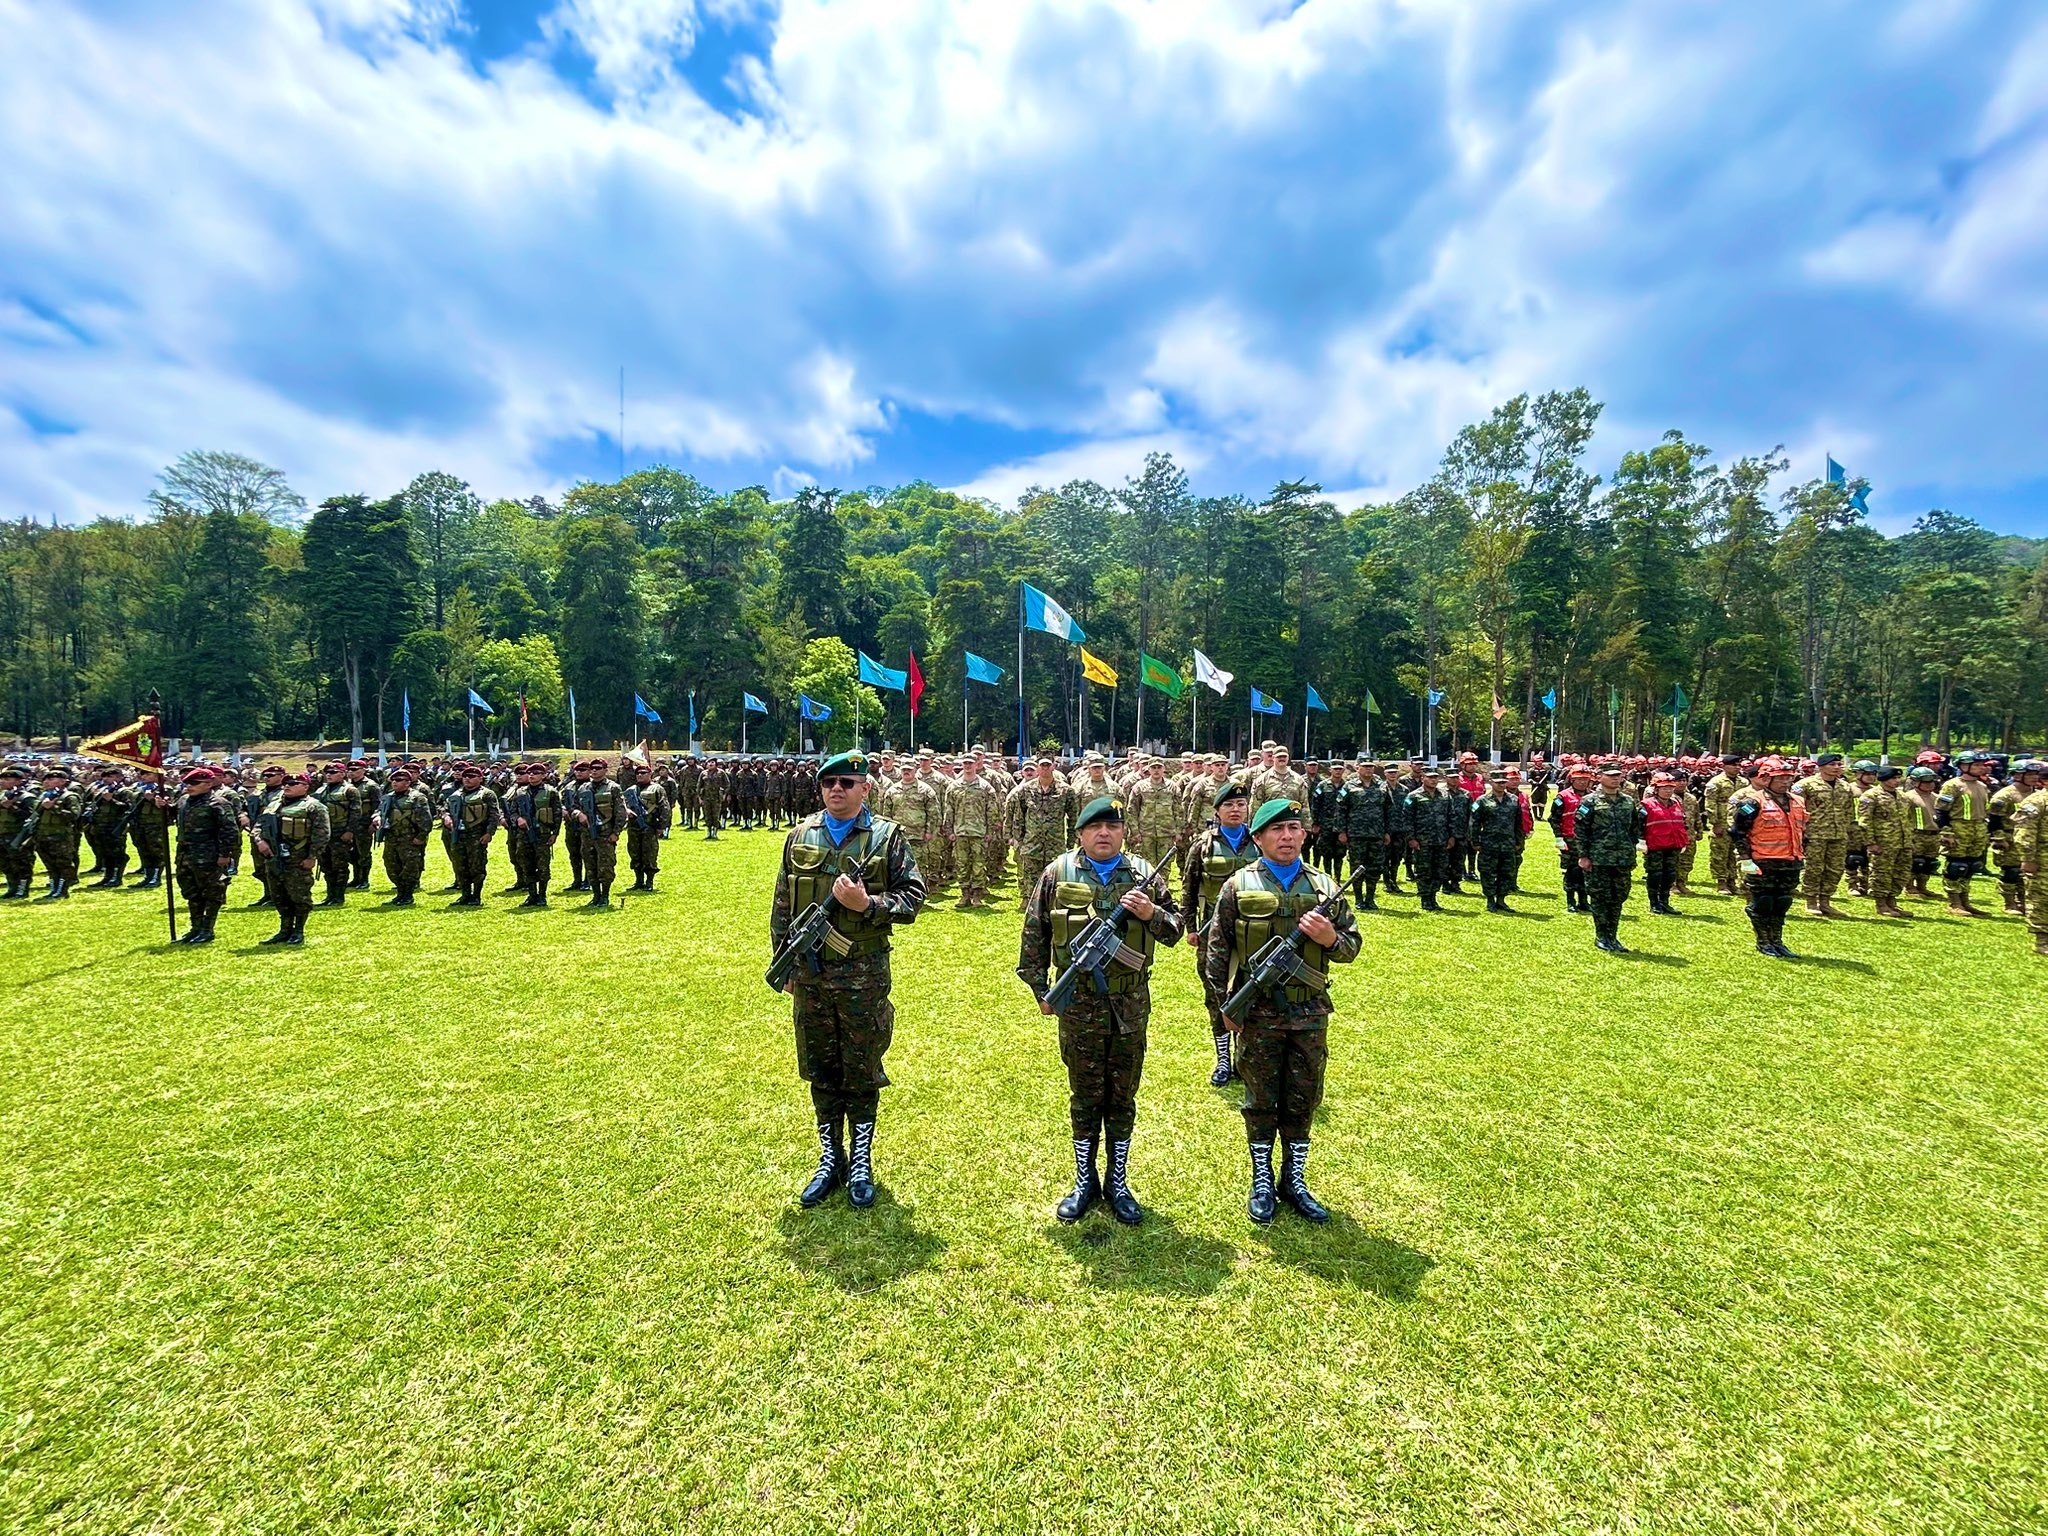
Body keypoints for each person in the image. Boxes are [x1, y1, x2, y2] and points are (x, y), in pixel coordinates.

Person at [771, 750, 927, 1210]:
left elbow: (913, 898)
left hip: (863, 973)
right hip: (811, 974)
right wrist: (785, 963)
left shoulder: (886, 838)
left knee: (860, 1066)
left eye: (846, 782)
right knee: (820, 1066)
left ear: (866, 788)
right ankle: (829, 1155)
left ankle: (860, 1158)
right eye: (828, 782)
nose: (836, 789)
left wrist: (868, 906)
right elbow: (783, 903)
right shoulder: (801, 835)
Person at [1018, 795, 1183, 1225]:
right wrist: (1042, 989)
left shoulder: (1146, 875)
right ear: (1081, 833)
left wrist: (1151, 914)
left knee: (1123, 1093)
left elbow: (1176, 929)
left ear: (1124, 832)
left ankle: (1119, 1178)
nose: (1104, 833)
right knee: (1086, 1093)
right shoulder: (1058, 872)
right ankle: (1084, 1178)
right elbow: (1033, 936)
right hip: (1080, 1005)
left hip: (1130, 1002)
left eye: (1112, 826)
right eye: (1095, 827)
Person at [1201, 799, 1360, 1224]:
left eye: (1293, 828)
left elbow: (1351, 948)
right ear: (1258, 838)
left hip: (1309, 1012)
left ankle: (1295, 1177)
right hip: (1257, 1013)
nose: (1286, 836)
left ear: (1304, 835)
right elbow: (1217, 954)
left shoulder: (1326, 889)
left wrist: (1329, 939)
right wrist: (1224, 1010)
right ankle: (1261, 1178)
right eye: (1276, 830)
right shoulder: (1238, 885)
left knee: (1303, 1096)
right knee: (1260, 1098)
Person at [1180, 777, 1260, 1086]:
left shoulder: (1259, 840)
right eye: (1229, 805)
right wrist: (1189, 928)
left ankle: (1245, 1058)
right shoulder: (1203, 844)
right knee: (1217, 995)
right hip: (1212, 933)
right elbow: (1189, 888)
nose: (1236, 810)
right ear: (1217, 810)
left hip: (1255, 932)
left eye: (1241, 804)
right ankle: (1224, 1058)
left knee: (1252, 991)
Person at [1730, 757, 1807, 958]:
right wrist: (1746, 859)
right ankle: (1763, 941)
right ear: (1766, 779)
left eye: (1789, 778)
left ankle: (1777, 940)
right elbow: (1738, 831)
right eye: (1780, 778)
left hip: (1790, 860)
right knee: (1763, 902)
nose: (1786, 781)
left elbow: (1802, 831)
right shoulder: (1752, 802)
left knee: (1782, 901)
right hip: (1763, 861)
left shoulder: (1798, 801)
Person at [1573, 765, 1645, 953]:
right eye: (1610, 776)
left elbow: (1634, 828)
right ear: (1599, 777)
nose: (1615, 779)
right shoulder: (1589, 801)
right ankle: (1601, 936)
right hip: (1599, 858)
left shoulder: (1628, 801)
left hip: (1622, 858)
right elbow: (1580, 831)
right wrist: (1583, 855)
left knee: (1618, 897)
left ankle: (1612, 936)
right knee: (1600, 897)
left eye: (1618, 776)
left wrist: (1630, 848)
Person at [253, 771, 330, 946]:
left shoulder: (314, 807)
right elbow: (259, 825)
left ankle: (299, 931)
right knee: (279, 894)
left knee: (299, 895)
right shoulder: (274, 805)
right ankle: (284, 929)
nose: (287, 786)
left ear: (305, 787)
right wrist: (259, 840)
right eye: (286, 783)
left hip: (298, 857)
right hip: (273, 856)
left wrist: (312, 856)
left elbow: (322, 834)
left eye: (293, 784)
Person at [171, 766, 238, 944]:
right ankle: (196, 928)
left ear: (208, 784)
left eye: (194, 783)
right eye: (187, 783)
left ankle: (207, 929)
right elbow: (174, 817)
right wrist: (163, 807)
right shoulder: (184, 800)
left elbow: (229, 831)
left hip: (208, 855)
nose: (189, 786)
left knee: (211, 892)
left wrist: (225, 854)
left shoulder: (218, 803)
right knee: (191, 892)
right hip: (186, 855)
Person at [1793, 753, 1856, 917]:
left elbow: (1849, 811)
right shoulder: (1805, 785)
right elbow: (1796, 809)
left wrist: (1848, 830)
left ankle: (1826, 901)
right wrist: (1800, 832)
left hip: (1838, 834)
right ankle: (1811, 901)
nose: (1837, 768)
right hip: (1814, 834)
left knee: (1835, 869)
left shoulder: (1845, 787)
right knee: (1814, 868)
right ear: (1820, 767)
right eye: (1832, 765)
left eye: (1839, 765)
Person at [1006, 755, 1073, 902]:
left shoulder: (1065, 791)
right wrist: (1019, 839)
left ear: (1054, 767)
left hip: (1055, 843)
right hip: (1032, 842)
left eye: (1048, 765)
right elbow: (1019, 816)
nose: (1045, 768)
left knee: (1055, 876)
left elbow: (1073, 818)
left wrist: (1071, 841)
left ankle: (1052, 902)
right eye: (1042, 765)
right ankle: (1029, 901)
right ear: (1038, 768)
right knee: (1030, 874)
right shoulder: (1025, 790)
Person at [1936, 752, 1995, 916]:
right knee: (1956, 867)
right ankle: (1954, 902)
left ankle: (1965, 901)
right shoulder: (1952, 785)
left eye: (1982, 765)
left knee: (1971, 866)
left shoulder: (1982, 786)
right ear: (1963, 766)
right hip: (1958, 829)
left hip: (1977, 831)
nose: (1981, 768)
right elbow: (1941, 811)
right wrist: (1947, 832)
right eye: (1976, 765)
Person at [441, 763, 505, 907]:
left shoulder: (487, 794)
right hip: (458, 834)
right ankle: (465, 894)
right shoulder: (456, 794)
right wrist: (446, 816)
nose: (467, 779)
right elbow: (445, 808)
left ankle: (476, 896)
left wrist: (489, 833)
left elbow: (493, 815)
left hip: (476, 835)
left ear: (480, 778)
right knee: (460, 865)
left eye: (471, 777)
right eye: (465, 777)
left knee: (476, 866)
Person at [1339, 757, 1396, 908]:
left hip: (1377, 834)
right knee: (1357, 867)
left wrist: (1387, 832)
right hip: (1356, 834)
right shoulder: (1349, 786)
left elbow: (1389, 810)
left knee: (1375, 866)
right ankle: (1358, 898)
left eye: (1371, 766)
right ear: (1358, 768)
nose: (1369, 769)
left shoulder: (1382, 786)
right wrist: (1341, 831)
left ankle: (1370, 898)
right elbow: (1341, 810)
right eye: (1365, 766)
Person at [1858, 764, 1913, 918]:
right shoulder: (1871, 796)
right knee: (1881, 873)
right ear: (1883, 779)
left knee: (1901, 873)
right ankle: (1881, 904)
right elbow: (1865, 822)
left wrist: (1910, 840)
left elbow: (1908, 820)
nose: (1897, 781)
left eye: (1898, 778)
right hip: (1883, 843)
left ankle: (1892, 901)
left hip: (1903, 842)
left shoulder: (1903, 796)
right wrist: (1870, 842)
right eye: (1893, 778)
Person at [570, 758, 627, 907]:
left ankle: (605, 895)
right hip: (587, 834)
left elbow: (620, 812)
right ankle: (595, 895)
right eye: (592, 768)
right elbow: (573, 807)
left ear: (605, 770)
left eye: (598, 768)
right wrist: (578, 814)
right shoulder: (583, 789)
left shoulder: (613, 788)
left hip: (606, 834)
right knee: (590, 865)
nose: (594, 770)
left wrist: (616, 832)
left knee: (606, 866)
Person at [1990, 758, 2044, 916]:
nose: (2034, 777)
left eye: (2036, 774)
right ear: (2017, 775)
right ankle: (2009, 902)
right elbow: (1994, 819)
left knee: (2025, 874)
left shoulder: (2036, 794)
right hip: (2009, 837)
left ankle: (2023, 901)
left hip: (2030, 838)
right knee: (2010, 871)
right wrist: (1999, 839)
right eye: (2029, 774)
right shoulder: (2005, 795)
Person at [945, 758, 1000, 909]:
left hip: (979, 832)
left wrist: (990, 831)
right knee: (961, 864)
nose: (968, 766)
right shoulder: (954, 786)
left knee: (979, 864)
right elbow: (949, 810)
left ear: (976, 765)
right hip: (960, 832)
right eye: (965, 763)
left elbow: (992, 811)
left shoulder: (985, 787)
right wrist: (949, 830)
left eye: (970, 763)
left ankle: (977, 895)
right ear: (962, 765)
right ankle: (964, 895)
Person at [379, 765, 436, 905]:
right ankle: (400, 891)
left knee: (409, 866)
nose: (395, 782)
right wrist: (376, 818)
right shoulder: (388, 797)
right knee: (391, 865)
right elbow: (380, 811)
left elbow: (426, 819)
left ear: (408, 782)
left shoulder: (417, 797)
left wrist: (421, 837)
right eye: (393, 780)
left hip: (409, 838)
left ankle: (408, 894)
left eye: (399, 780)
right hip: (391, 837)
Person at [1468, 772, 1523, 913]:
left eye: (1504, 782)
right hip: (1488, 844)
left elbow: (1518, 823)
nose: (1501, 785)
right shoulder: (1481, 801)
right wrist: (1475, 841)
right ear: (1491, 782)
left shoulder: (1514, 800)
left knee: (1506, 872)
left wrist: (1519, 841)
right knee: (1487, 872)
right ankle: (1490, 900)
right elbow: (1474, 823)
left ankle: (1501, 899)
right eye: (1498, 782)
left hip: (1508, 844)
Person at [1403, 767, 1455, 911]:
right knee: (1424, 870)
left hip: (1441, 840)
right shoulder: (1413, 796)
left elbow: (1451, 816)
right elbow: (1407, 819)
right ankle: (1425, 899)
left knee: (1439, 870)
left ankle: (1434, 897)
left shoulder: (1445, 795)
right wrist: (1411, 839)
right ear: (1422, 778)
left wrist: (1451, 836)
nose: (1433, 780)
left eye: (1435, 777)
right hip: (1422, 841)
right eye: (1430, 777)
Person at [1641, 771, 1691, 914]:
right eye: (1664, 788)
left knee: (1670, 874)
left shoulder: (1676, 803)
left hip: (1673, 845)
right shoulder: (1646, 805)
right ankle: (1654, 903)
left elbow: (1682, 822)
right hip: (1655, 846)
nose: (1668, 791)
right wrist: (1641, 842)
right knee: (1655, 874)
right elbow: (1639, 824)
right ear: (1656, 789)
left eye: (1670, 788)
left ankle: (1665, 901)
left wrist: (1683, 841)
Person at [2011, 761, 2048, 957]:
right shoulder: (2035, 802)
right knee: (2041, 898)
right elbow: (2024, 832)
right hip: (2042, 859)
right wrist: (2028, 858)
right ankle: (2042, 939)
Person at [312, 762, 360, 906]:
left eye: (333, 773)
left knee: (339, 866)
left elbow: (356, 812)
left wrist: (350, 831)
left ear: (342, 774)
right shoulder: (321, 790)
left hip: (340, 833)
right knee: (326, 865)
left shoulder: (350, 790)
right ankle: (330, 895)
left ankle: (338, 896)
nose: (329, 775)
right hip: (324, 834)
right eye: (327, 773)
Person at [31, 766, 82, 900]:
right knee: (50, 864)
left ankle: (62, 890)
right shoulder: (44, 795)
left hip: (60, 835)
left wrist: (54, 808)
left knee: (63, 864)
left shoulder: (69, 796)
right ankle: (54, 889)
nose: (47, 782)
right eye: (46, 779)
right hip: (42, 834)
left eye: (52, 779)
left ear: (63, 781)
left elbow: (74, 815)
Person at [624, 759, 670, 892]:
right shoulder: (631, 790)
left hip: (650, 826)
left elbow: (664, 808)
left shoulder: (657, 789)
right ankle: (638, 881)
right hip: (633, 827)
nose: (640, 775)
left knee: (649, 854)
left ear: (650, 774)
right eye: (638, 773)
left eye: (643, 773)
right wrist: (627, 811)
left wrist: (661, 827)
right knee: (634, 853)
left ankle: (649, 882)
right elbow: (622, 805)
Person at [1704, 754, 1744, 894]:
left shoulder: (1743, 782)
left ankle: (1732, 881)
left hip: (1738, 823)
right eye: (1734, 765)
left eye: (1739, 765)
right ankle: (1721, 882)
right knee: (1720, 853)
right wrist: (1715, 823)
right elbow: (1710, 804)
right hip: (1722, 821)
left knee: (1734, 853)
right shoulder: (1716, 782)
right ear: (1724, 766)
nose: (1737, 768)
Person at [0, 764, 35, 899]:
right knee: (6, 864)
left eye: (7, 779)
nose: (2, 781)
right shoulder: (3, 795)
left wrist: (12, 808)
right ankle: (12, 888)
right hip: (2, 834)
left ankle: (22, 889)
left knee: (22, 864)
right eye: (2, 779)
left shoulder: (27, 797)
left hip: (18, 836)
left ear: (19, 781)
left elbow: (32, 817)